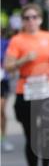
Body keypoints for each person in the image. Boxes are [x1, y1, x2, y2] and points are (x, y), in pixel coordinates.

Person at [5, 3, 49, 166]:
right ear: (22, 21)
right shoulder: (17, 40)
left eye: (34, 17)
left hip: (48, 88)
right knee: (32, 136)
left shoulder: (47, 37)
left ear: (40, 19)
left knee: (46, 132)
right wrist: (24, 59)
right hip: (26, 89)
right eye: (27, 18)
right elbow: (8, 66)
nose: (31, 21)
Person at [1, 23, 14, 152]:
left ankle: (3, 138)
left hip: (2, 80)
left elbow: (10, 61)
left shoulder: (6, 44)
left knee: (1, 110)